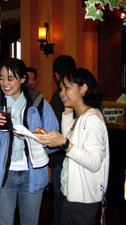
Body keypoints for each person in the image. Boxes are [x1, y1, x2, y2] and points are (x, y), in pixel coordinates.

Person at [0, 58, 59, 225]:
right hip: (3, 176)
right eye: (1, 78)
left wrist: (37, 139)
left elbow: (54, 140)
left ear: (23, 79)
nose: (5, 83)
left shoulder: (39, 104)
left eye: (10, 78)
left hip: (32, 174)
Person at [37, 68, 109, 225]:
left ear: (83, 89)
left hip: (82, 199)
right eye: (61, 88)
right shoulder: (82, 116)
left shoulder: (92, 120)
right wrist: (68, 111)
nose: (62, 93)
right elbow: (71, 137)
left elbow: (94, 162)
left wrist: (64, 143)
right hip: (71, 194)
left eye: (67, 88)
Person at [49, 55, 76, 225]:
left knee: (61, 205)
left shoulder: (59, 97)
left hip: (62, 157)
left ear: (57, 75)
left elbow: (54, 128)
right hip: (73, 158)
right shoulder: (83, 99)